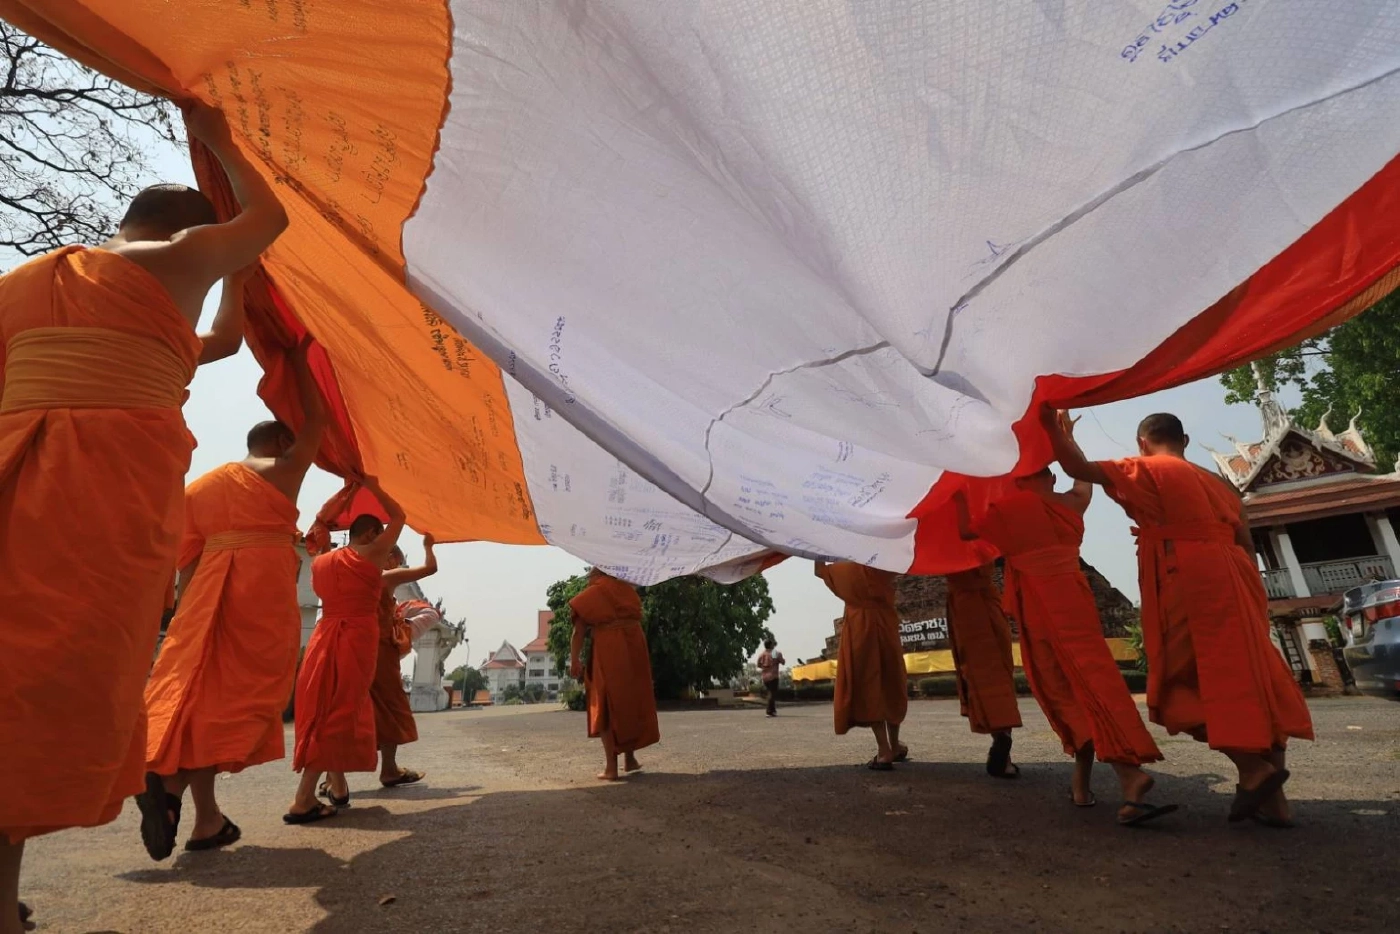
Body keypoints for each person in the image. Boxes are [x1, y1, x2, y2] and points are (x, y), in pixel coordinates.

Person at [0, 101, 287, 931]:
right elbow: (269, 218)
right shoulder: (181, 256)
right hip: (104, 504)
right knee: (58, 685)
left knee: (13, 680)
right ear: (187, 231)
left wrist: (235, 279)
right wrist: (223, 141)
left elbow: (223, 342)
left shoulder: (26, 287)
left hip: (19, 483)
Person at [1044, 408, 1314, 826]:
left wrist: (1054, 429)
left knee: (1180, 683)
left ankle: (1252, 769)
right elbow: (1245, 542)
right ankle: (1275, 804)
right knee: (1256, 679)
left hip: (1187, 576)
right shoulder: (1222, 484)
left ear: (1142, 442)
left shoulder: (1145, 468)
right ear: (1185, 441)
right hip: (1237, 576)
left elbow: (1075, 468)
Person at [136, 337, 327, 858]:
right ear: (279, 443)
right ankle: (171, 790)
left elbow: (186, 564)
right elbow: (317, 423)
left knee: (202, 703)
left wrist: (184, 623)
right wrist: (302, 366)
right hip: (258, 593)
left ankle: (205, 820)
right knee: (247, 703)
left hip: (203, 601)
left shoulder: (200, 489)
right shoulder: (281, 473)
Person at [954, 475, 1176, 827]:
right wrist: (1065, 439)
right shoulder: (1071, 502)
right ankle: (1081, 787)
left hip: (1042, 608)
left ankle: (1129, 774)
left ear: (1016, 482)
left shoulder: (1010, 509)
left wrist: (960, 490)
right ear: (1051, 476)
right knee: (1091, 680)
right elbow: (1084, 481)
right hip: (1075, 596)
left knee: (1066, 690)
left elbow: (966, 531)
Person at [285, 478, 407, 823]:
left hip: (324, 634)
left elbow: (320, 524)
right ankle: (304, 797)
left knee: (321, 703)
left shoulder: (321, 558)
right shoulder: (371, 555)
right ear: (371, 535)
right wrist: (374, 486)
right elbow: (399, 517)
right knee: (340, 710)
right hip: (357, 636)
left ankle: (337, 787)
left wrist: (348, 493)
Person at [568, 569, 660, 781]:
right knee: (630, 700)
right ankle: (630, 758)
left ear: (595, 576)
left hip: (609, 648)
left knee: (607, 704)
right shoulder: (627, 590)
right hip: (634, 645)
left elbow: (578, 631)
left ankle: (612, 768)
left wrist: (574, 659)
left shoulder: (593, 593)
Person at [815, 561, 908, 770]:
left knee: (869, 686)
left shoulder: (844, 570)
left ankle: (884, 750)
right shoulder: (882, 561)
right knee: (890, 682)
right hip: (885, 623)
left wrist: (815, 545)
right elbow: (902, 562)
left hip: (860, 628)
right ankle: (894, 745)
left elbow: (818, 570)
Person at [370, 542, 439, 790]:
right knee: (390, 709)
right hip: (378, 650)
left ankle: (333, 778)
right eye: (395, 562)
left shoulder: (346, 571)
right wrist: (428, 545)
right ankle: (388, 769)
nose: (396, 567)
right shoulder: (384, 577)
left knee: (345, 709)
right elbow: (431, 568)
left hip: (345, 646)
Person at [945, 565, 1023, 778]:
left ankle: (1000, 739)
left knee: (977, 675)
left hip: (963, 608)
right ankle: (1005, 748)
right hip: (988, 601)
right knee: (999, 672)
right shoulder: (983, 539)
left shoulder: (943, 544)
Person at [756, 638, 785, 717]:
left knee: (770, 692)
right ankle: (769, 711)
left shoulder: (762, 654)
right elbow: (782, 662)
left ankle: (773, 710)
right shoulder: (774, 653)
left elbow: (758, 664)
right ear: (771, 645)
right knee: (772, 693)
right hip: (773, 675)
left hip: (765, 676)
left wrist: (765, 667)